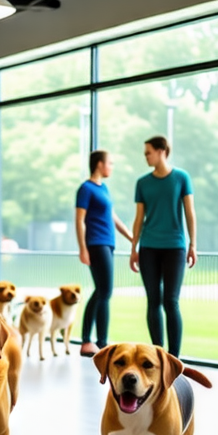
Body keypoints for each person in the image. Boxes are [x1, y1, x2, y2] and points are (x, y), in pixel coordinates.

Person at [129, 136, 196, 358]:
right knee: (153, 301)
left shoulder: (181, 178)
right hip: (149, 247)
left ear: (161, 151)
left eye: (148, 152)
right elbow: (139, 219)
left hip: (175, 246)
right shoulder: (142, 183)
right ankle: (157, 352)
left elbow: (190, 213)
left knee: (171, 300)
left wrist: (192, 244)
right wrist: (133, 248)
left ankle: (174, 357)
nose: (146, 157)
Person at [76, 150, 134, 357]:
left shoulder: (104, 188)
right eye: (110, 163)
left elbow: (112, 216)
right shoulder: (86, 188)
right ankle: (100, 343)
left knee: (101, 291)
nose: (112, 166)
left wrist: (132, 237)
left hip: (108, 244)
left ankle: (88, 342)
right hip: (96, 244)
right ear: (99, 164)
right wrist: (82, 248)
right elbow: (79, 220)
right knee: (105, 291)